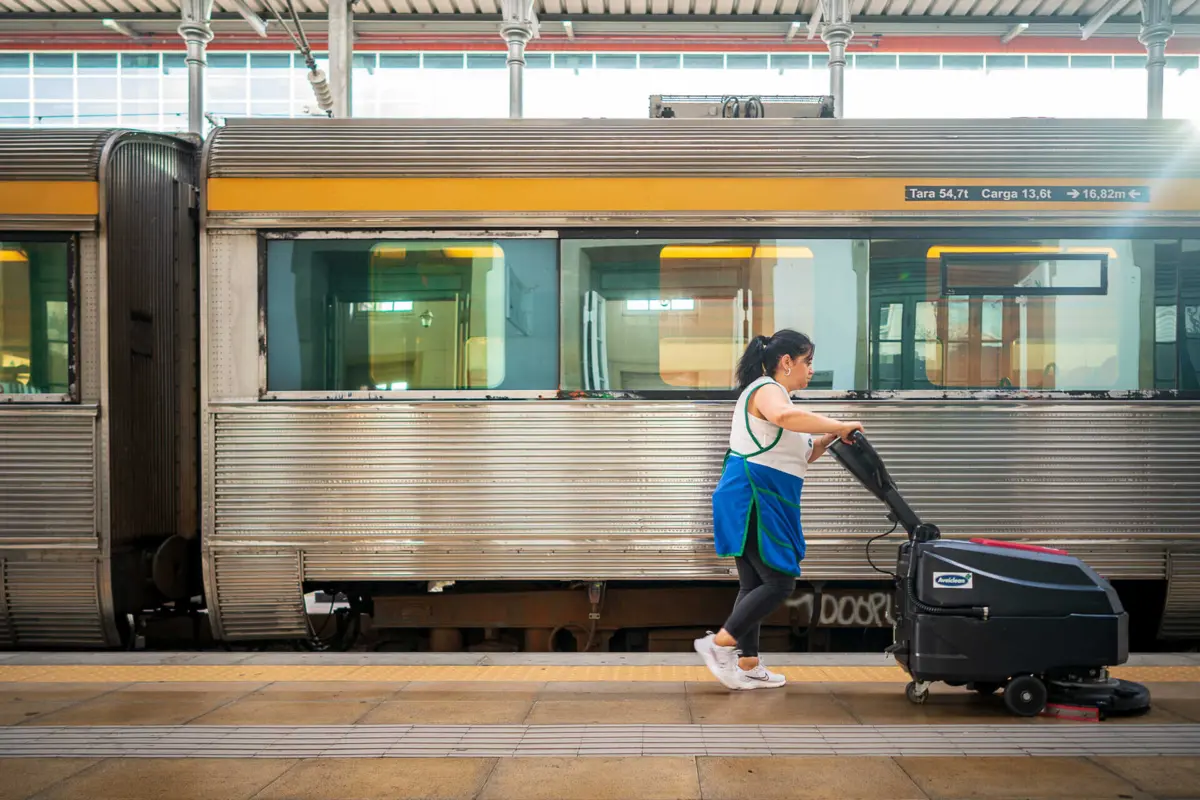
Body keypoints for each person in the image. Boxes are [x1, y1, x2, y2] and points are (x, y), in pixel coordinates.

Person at [694, 329, 863, 690]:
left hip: (756, 496)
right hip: (753, 497)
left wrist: (829, 437)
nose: (812, 370)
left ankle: (749, 664)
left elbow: (801, 454)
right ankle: (719, 644)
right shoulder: (767, 389)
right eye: (808, 361)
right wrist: (839, 423)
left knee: (753, 584)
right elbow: (785, 417)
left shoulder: (779, 398)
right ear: (786, 362)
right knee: (780, 581)